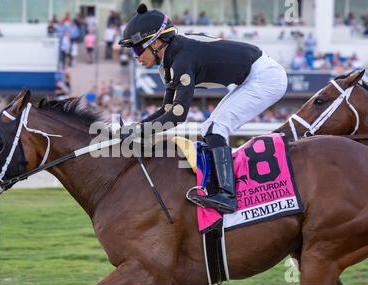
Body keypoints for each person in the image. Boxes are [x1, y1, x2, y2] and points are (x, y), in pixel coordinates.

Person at [118, 4, 288, 214]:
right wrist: (137, 127)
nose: (135, 56)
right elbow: (167, 108)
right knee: (210, 128)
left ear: (157, 42)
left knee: (215, 129)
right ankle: (220, 188)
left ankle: (227, 196)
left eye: (136, 48)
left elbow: (177, 117)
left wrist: (138, 132)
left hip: (265, 77)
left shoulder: (181, 60)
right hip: (251, 76)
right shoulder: (170, 60)